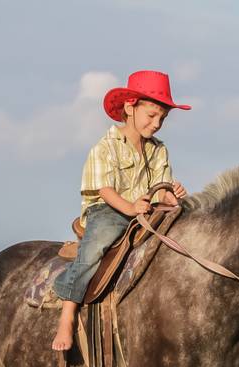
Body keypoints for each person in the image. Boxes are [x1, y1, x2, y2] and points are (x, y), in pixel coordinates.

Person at [51, 70, 191, 350]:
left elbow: (160, 190)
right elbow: (105, 190)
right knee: (96, 246)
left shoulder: (158, 151)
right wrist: (130, 206)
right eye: (151, 115)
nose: (157, 123)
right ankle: (67, 313)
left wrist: (171, 196)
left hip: (147, 212)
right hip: (109, 210)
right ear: (130, 108)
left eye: (162, 118)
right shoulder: (105, 148)